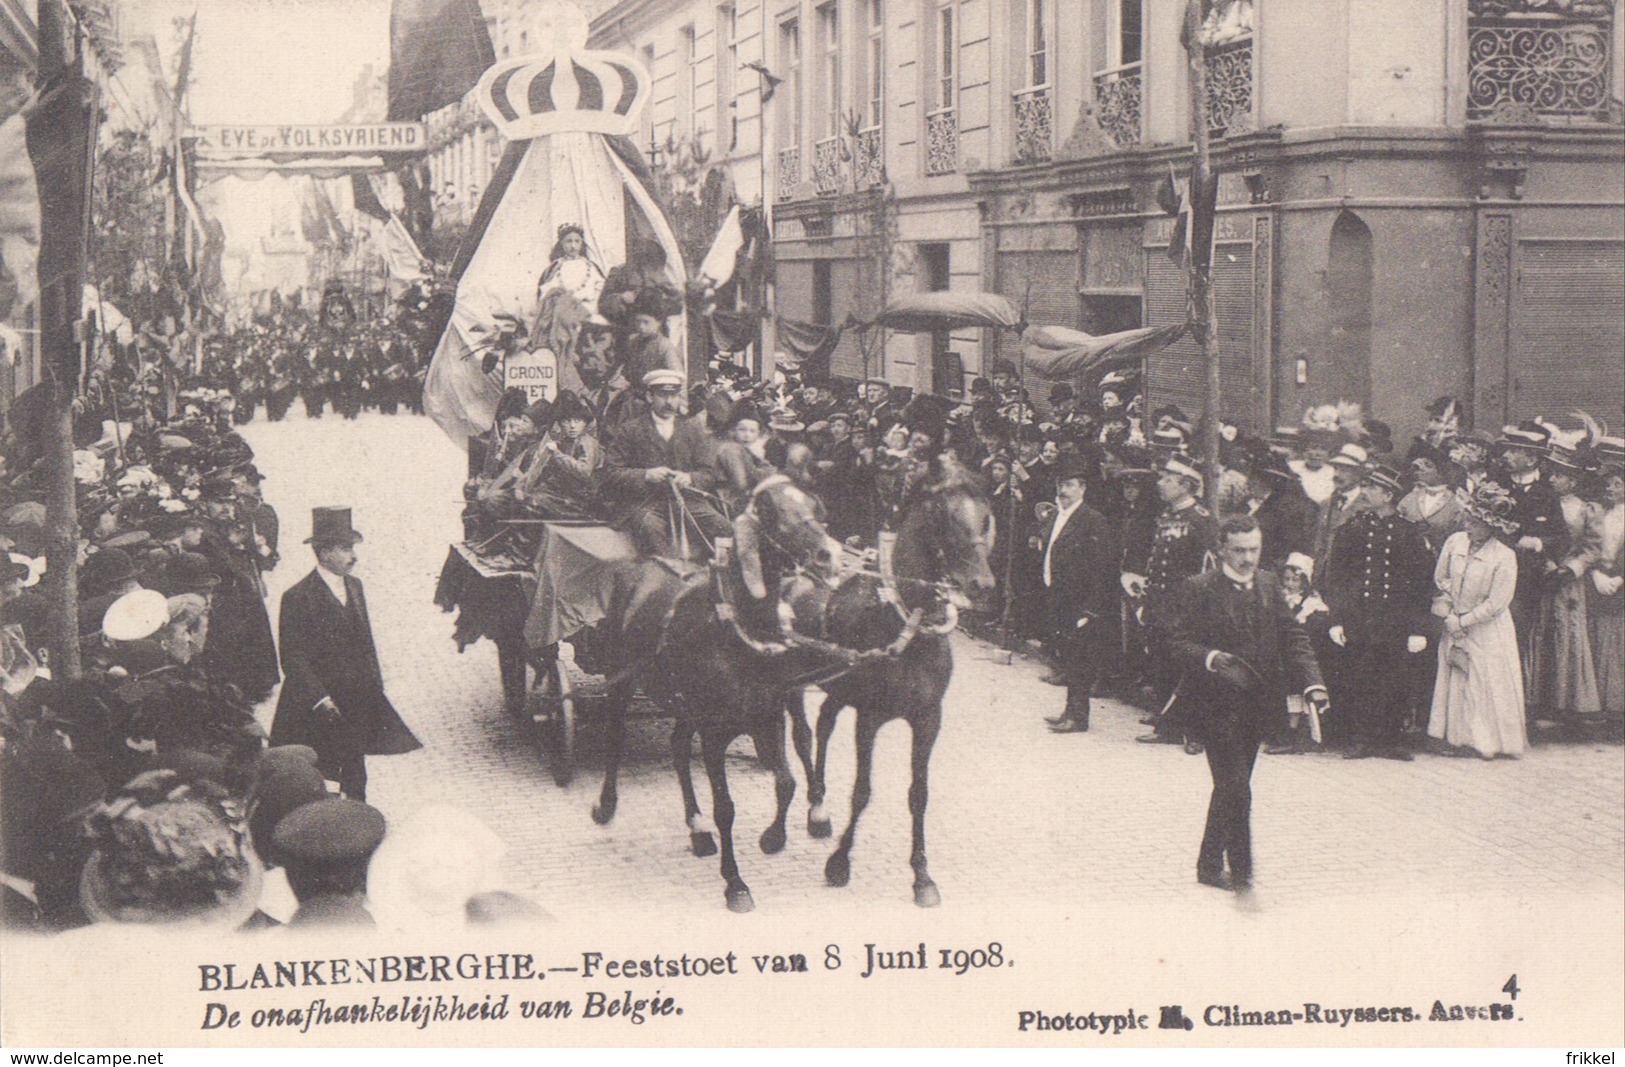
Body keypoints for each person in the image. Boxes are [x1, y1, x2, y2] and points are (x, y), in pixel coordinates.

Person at [1165, 515, 1328, 892]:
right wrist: (1211, 657)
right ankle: (1241, 871)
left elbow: (1293, 638)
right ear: (1222, 549)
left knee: (1232, 786)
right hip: (1213, 704)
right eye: (1239, 550)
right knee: (1236, 785)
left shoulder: (1270, 585)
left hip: (1257, 704)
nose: (1247, 558)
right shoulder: (1199, 588)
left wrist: (1313, 684)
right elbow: (1176, 641)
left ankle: (1209, 865)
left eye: (1254, 549)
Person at [268, 508, 421, 800]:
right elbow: (292, 657)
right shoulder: (297, 596)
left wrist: (375, 682)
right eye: (345, 548)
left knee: (355, 765)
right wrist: (320, 698)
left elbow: (365, 638)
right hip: (319, 701)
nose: (354, 556)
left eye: (353, 547)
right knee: (317, 766)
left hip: (356, 694)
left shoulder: (355, 586)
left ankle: (357, 814)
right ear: (323, 552)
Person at [1323, 463, 1434, 761]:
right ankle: (1360, 738)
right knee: (1359, 676)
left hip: (1395, 619)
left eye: (1373, 487)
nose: (1367, 491)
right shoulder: (1354, 527)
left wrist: (1418, 628)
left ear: (1387, 495)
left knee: (1395, 678)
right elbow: (1337, 576)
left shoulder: (1408, 533)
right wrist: (1337, 619)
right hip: (1360, 616)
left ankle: (1391, 739)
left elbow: (1422, 584)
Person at [1427, 482, 1527, 759]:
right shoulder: (1455, 542)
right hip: (1453, 622)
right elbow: (1442, 578)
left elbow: (1497, 603)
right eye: (1467, 520)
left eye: (1474, 523)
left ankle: (1487, 741)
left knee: (1485, 681)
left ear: (1490, 526)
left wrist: (1464, 621)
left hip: (1487, 630)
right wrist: (1448, 612)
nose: (1467, 527)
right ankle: (1454, 738)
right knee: (1456, 677)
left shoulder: (1504, 557)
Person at [599, 370, 731, 559]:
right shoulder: (630, 430)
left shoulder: (692, 430)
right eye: (663, 396)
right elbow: (611, 473)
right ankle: (671, 578)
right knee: (651, 528)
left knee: (722, 525)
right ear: (650, 396)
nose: (669, 402)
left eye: (674, 396)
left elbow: (709, 473)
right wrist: (645, 475)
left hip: (687, 500)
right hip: (645, 502)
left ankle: (719, 579)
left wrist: (690, 478)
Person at [1038, 454, 1120, 733]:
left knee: (1080, 659)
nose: (1064, 490)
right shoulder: (1056, 516)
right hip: (1058, 596)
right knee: (1068, 657)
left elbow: (1102, 568)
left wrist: (1091, 608)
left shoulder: (1092, 520)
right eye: (1061, 484)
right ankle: (1069, 710)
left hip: (1080, 601)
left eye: (1070, 485)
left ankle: (1078, 716)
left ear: (1082, 488)